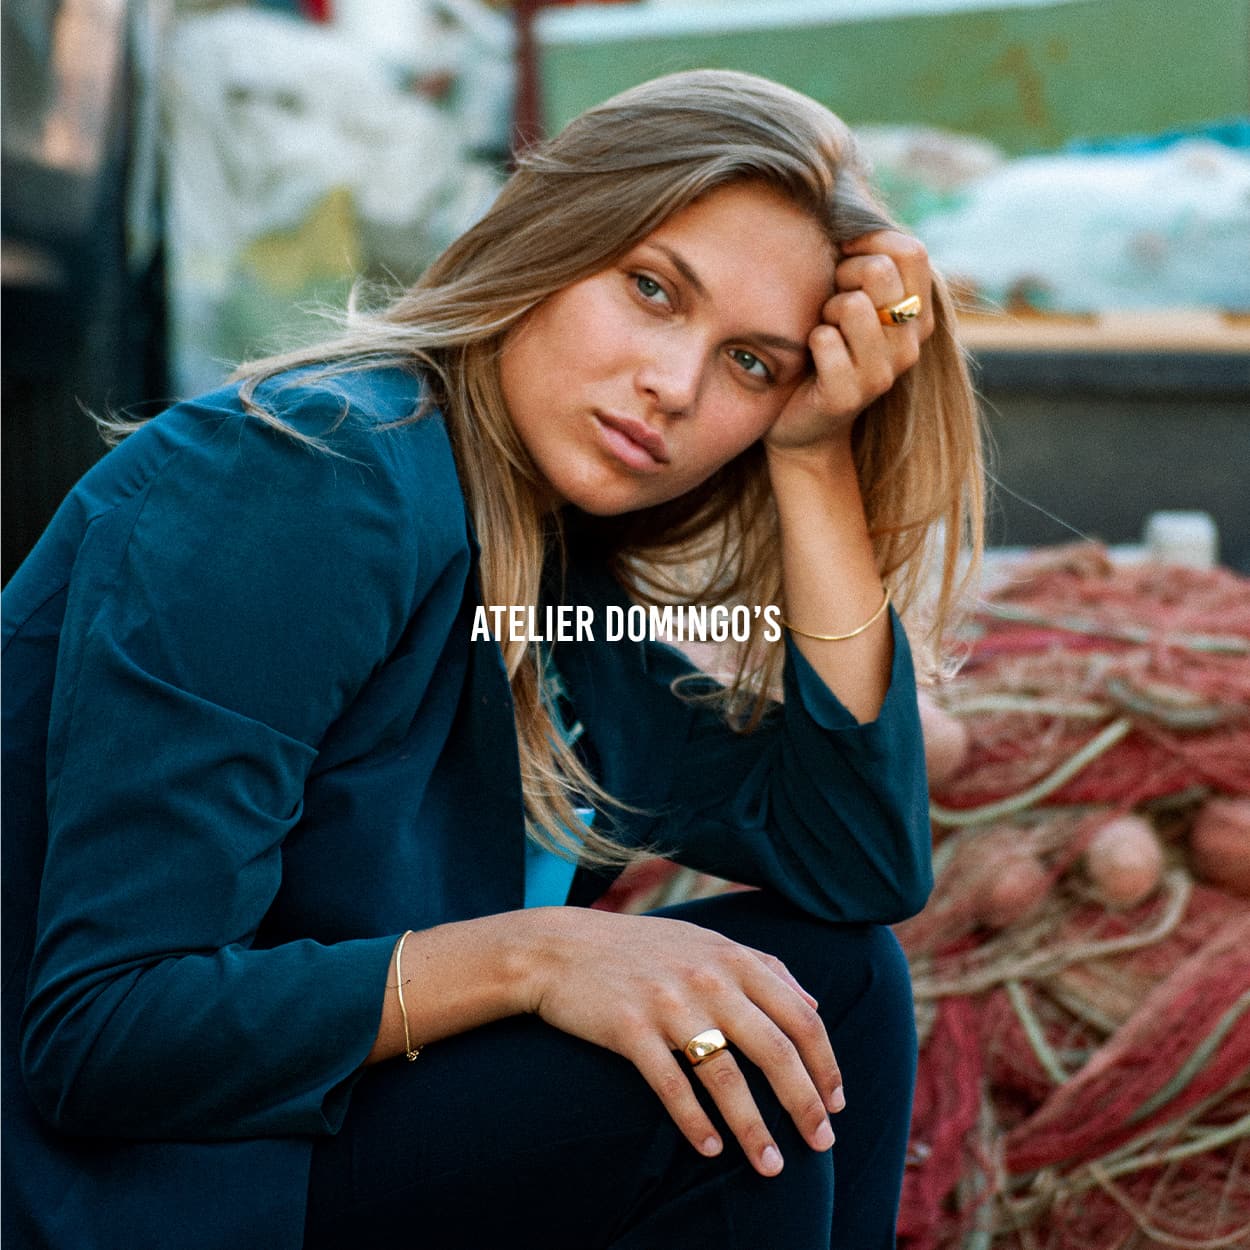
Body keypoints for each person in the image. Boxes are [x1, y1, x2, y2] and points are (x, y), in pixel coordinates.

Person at [2, 69, 983, 1249]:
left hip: (321, 1147)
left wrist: (817, 462)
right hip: (138, 1185)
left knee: (841, 985)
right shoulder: (310, 482)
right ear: (548, 237)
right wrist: (534, 954)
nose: (672, 386)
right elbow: (105, 1033)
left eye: (752, 365)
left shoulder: (548, 566)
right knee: (698, 1091)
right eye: (651, 290)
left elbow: (855, 861)